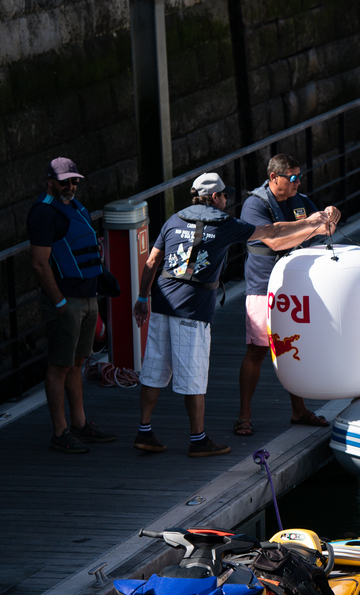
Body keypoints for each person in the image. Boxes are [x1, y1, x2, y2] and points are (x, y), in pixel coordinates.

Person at [132, 172, 335, 457]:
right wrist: (311, 222)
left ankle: (144, 432)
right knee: (194, 378)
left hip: (162, 302)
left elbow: (152, 262)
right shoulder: (225, 224)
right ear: (215, 197)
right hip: (193, 307)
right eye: (224, 195)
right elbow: (273, 231)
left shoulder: (174, 219)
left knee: (153, 372)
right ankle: (198, 440)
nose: (227, 200)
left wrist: (142, 298)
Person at [235, 154, 342, 436]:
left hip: (296, 288)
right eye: (292, 177)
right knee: (257, 351)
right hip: (263, 288)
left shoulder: (301, 200)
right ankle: (244, 414)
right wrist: (311, 226)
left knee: (296, 349)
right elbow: (275, 240)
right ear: (274, 178)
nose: (297, 182)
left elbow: (325, 227)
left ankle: (299, 409)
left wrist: (330, 215)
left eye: (299, 177)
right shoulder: (254, 206)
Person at [27, 157, 116, 454]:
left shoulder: (77, 207)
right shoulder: (43, 213)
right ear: (49, 180)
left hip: (88, 297)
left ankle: (79, 424)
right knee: (59, 366)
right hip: (67, 302)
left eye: (75, 180)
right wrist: (60, 302)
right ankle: (60, 432)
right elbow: (40, 264)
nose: (71, 186)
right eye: (65, 181)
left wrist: (101, 279)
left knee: (78, 363)